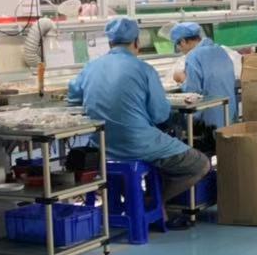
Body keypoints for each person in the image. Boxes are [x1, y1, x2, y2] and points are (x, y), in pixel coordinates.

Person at [67, 16, 209, 213]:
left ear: (110, 42)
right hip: (138, 144)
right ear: (136, 42)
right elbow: (160, 115)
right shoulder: (144, 70)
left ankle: (132, 203)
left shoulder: (90, 67)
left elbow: (73, 100)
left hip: (101, 145)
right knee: (200, 164)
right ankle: (148, 203)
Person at [169, 22, 238, 129]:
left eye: (178, 46)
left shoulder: (194, 57)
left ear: (183, 41)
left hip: (209, 121)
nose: (180, 50)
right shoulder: (220, 51)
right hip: (229, 115)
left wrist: (182, 78)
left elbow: (192, 93)